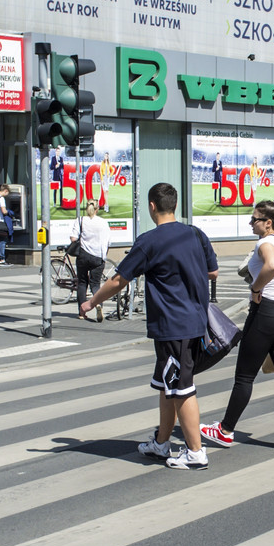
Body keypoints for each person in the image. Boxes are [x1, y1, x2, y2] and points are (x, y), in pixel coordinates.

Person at [80, 183, 219, 470]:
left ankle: (195, 453)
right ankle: (161, 444)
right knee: (167, 384)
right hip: (194, 321)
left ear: (152, 206)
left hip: (173, 324)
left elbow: (119, 280)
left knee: (182, 388)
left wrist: (91, 302)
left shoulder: (149, 241)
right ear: (175, 205)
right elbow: (212, 271)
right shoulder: (195, 234)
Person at [200, 199, 274, 454]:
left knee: (244, 376)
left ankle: (225, 430)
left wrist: (255, 287)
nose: (250, 223)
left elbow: (271, 266)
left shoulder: (265, 242)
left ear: (268, 223)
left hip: (266, 313)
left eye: (254, 219)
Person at [71, 200, 111, 323]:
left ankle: (82, 312)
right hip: (98, 256)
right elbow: (109, 241)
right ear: (97, 209)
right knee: (95, 284)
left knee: (82, 283)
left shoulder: (81, 220)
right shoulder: (103, 223)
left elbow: (73, 238)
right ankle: (98, 304)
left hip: (83, 255)